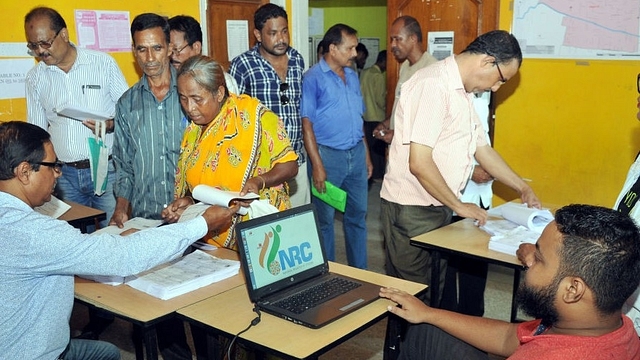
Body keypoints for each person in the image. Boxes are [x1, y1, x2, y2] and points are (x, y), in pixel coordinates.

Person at [0, 121, 237, 360]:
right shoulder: (31, 232)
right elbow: (123, 258)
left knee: (108, 352)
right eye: (53, 166)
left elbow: (56, 249)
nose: (58, 173)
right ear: (24, 172)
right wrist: (202, 223)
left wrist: (103, 246)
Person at [379, 30, 540, 300]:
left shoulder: (463, 92)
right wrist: (459, 206)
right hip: (412, 210)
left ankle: (427, 343)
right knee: (414, 299)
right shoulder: (432, 85)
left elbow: (483, 149)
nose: (496, 88)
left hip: (438, 205)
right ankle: (406, 345)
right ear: (487, 62)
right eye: (501, 79)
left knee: (435, 293)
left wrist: (521, 187)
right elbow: (419, 162)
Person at [380, 204, 640, 359]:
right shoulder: (616, 326)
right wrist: (428, 313)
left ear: (573, 289)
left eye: (538, 259)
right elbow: (509, 337)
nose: (528, 263)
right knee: (429, 330)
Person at [111, 13, 193, 360]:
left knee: (199, 306)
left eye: (157, 48)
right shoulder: (127, 104)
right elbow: (124, 164)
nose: (150, 58)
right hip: (145, 218)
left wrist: (192, 199)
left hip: (191, 218)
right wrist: (121, 205)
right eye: (142, 50)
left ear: (170, 49)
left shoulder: (192, 94)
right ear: (134, 51)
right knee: (152, 309)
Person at [162, 55, 298, 250]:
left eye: (197, 99)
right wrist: (189, 202)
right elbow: (206, 183)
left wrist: (259, 181)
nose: (190, 108)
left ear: (219, 93)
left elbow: (290, 165)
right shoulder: (193, 131)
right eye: (183, 99)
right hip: (211, 241)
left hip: (263, 236)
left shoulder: (254, 116)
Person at [24, 6, 128, 231]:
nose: (40, 51)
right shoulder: (35, 78)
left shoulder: (102, 64)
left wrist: (110, 124)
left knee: (116, 233)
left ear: (64, 35)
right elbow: (37, 130)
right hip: (64, 176)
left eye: (45, 43)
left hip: (107, 169)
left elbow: (129, 112)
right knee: (75, 239)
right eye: (33, 46)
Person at [301, 24, 372, 269]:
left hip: (356, 155)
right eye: (350, 48)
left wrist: (367, 156)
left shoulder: (352, 76)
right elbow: (307, 124)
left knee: (358, 218)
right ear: (333, 48)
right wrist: (318, 166)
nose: (355, 53)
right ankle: (328, 274)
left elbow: (358, 117)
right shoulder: (312, 78)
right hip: (328, 158)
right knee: (325, 222)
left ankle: (360, 272)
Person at [228, 3, 309, 207]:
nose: (281, 39)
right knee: (267, 230)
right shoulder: (243, 64)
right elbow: (233, 114)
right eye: (273, 33)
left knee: (299, 225)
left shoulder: (297, 60)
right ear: (257, 34)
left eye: (284, 31)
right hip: (262, 166)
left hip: (297, 160)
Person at [441, 92, 494, 317]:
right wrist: (470, 171)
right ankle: (449, 316)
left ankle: (473, 315)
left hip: (481, 195)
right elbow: (439, 149)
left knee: (477, 261)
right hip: (456, 194)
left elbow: (484, 143)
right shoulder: (449, 96)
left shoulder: (485, 97)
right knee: (450, 262)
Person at [373, 16, 438, 144]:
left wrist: (399, 136)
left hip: (415, 151)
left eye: (398, 39)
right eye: (392, 40)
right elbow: (402, 107)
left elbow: (430, 119)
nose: (392, 45)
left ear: (413, 38)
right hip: (397, 150)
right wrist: (387, 123)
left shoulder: (432, 69)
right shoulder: (405, 67)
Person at [167, 14, 238, 94]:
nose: (172, 56)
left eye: (176, 49)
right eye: (169, 50)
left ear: (196, 47)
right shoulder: (165, 80)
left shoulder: (222, 81)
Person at [360, 50, 387, 181]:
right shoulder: (378, 76)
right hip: (377, 117)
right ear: (384, 61)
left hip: (365, 117)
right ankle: (377, 175)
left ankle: (369, 173)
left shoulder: (364, 72)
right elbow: (380, 100)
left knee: (369, 148)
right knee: (378, 151)